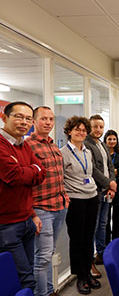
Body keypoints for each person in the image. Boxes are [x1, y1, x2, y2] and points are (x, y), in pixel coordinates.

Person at [0, 101, 46, 290]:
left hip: (26, 220)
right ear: (4, 117)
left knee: (26, 276)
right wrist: (30, 169)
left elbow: (42, 172)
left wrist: (33, 214)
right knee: (23, 280)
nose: (24, 122)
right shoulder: (2, 145)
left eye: (28, 118)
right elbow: (15, 175)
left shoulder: (23, 145)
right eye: (18, 116)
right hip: (7, 226)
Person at [26, 106, 69, 296]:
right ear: (34, 121)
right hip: (41, 209)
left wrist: (65, 198)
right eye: (43, 119)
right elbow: (25, 182)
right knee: (42, 257)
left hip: (59, 206)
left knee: (49, 253)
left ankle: (50, 290)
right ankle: (41, 293)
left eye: (51, 119)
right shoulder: (27, 146)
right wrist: (32, 212)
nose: (48, 122)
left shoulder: (53, 146)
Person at [61, 116, 101, 294]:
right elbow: (60, 179)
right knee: (77, 240)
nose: (81, 132)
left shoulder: (87, 151)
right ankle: (81, 276)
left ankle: (88, 271)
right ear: (69, 131)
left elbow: (90, 173)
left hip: (91, 197)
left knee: (88, 237)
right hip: (75, 200)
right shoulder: (63, 152)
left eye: (84, 130)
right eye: (77, 129)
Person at [84, 115, 116, 276]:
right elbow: (92, 169)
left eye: (101, 127)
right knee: (93, 226)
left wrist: (112, 185)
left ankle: (101, 253)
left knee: (103, 224)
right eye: (95, 126)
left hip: (106, 191)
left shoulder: (102, 144)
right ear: (89, 127)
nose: (98, 130)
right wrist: (108, 183)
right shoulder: (86, 145)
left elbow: (110, 166)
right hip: (94, 192)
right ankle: (89, 261)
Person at [104, 130, 119, 241]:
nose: (112, 141)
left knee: (117, 217)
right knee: (106, 217)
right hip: (106, 187)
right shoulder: (102, 153)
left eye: (114, 139)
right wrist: (118, 172)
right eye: (109, 139)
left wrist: (112, 171)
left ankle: (116, 241)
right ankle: (106, 242)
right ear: (105, 140)